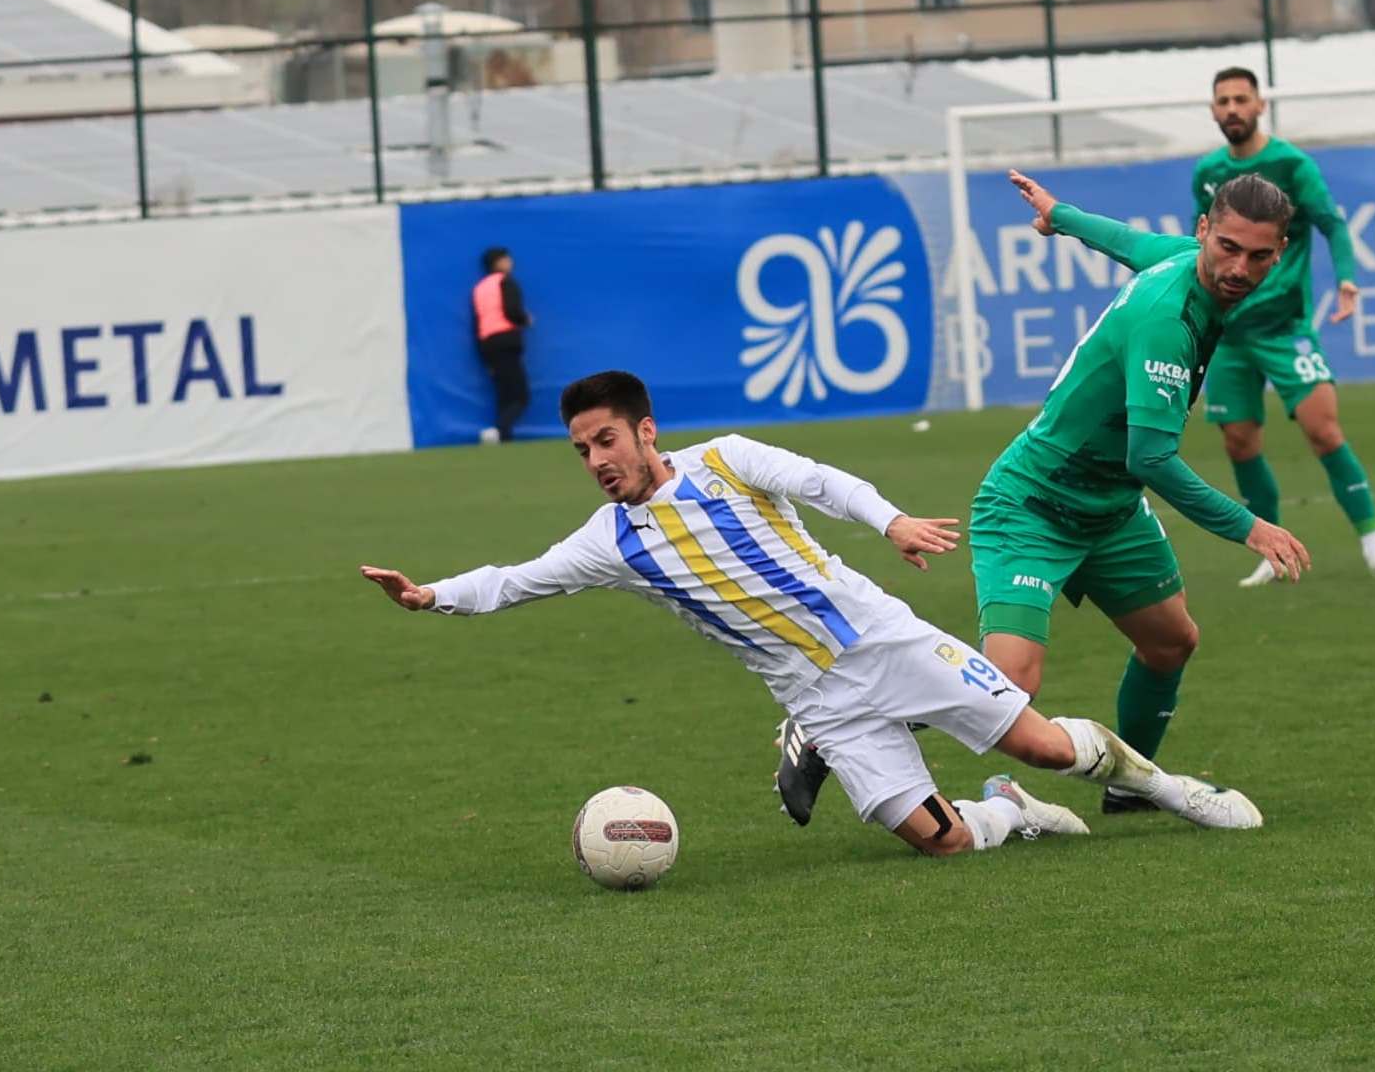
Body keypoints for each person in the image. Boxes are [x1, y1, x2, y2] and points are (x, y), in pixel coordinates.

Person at [361, 370, 1264, 862]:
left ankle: (1166, 788)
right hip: (818, 696)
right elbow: (515, 579)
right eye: (581, 449)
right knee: (940, 843)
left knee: (1038, 742)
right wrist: (429, 594)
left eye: (605, 440)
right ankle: (1009, 816)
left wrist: (892, 521)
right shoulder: (611, 541)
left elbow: (819, 482)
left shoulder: (724, 460)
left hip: (881, 639)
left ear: (644, 430)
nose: (596, 459)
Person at [776, 173, 1308, 828]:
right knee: (1010, 691)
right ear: (1204, 231)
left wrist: (1064, 216)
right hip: (1030, 505)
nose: (1238, 267)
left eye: (1257, 256)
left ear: (1277, 251)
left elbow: (1130, 242)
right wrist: (1247, 526)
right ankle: (825, 723)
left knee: (1171, 643)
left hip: (1110, 509)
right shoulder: (1165, 322)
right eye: (1227, 247)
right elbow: (1151, 458)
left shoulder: (1183, 258)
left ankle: (1132, 781)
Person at [1196, 68, 1375, 586]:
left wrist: (1348, 281)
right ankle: (1271, 553)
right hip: (1228, 334)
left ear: (1260, 105)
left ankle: (1374, 544)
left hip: (1285, 327)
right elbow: (1204, 243)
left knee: (1324, 429)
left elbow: (1331, 224)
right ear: (1213, 110)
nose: (1232, 109)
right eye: (1223, 100)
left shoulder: (1291, 165)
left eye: (1240, 99)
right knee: (1239, 444)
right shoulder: (1206, 171)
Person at [473, 246, 531, 444]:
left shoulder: (480, 288)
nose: (510, 263)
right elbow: (512, 310)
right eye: (507, 259)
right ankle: (499, 430)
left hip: (488, 344)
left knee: (504, 394)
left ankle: (504, 439)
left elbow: (477, 323)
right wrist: (525, 320)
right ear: (498, 262)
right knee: (521, 396)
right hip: (506, 340)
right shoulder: (506, 281)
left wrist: (483, 354)